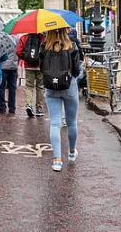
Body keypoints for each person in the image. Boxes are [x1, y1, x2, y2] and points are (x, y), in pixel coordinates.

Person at [40, 28, 81, 172]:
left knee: (55, 123)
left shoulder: (44, 47)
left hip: (51, 88)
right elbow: (76, 70)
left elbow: (41, 68)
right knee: (71, 122)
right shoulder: (72, 45)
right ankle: (71, 152)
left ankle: (57, 160)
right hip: (69, 87)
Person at [17, 33, 46, 118]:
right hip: (40, 66)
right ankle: (39, 108)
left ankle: (29, 105)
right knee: (40, 87)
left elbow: (18, 51)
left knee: (29, 86)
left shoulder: (24, 38)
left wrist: (26, 58)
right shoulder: (43, 38)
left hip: (29, 66)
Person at [0, 35, 20, 115]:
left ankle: (2, 107)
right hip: (14, 66)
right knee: (12, 88)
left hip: (3, 66)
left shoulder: (1, 38)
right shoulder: (17, 39)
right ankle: (12, 108)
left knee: (1, 87)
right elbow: (19, 52)